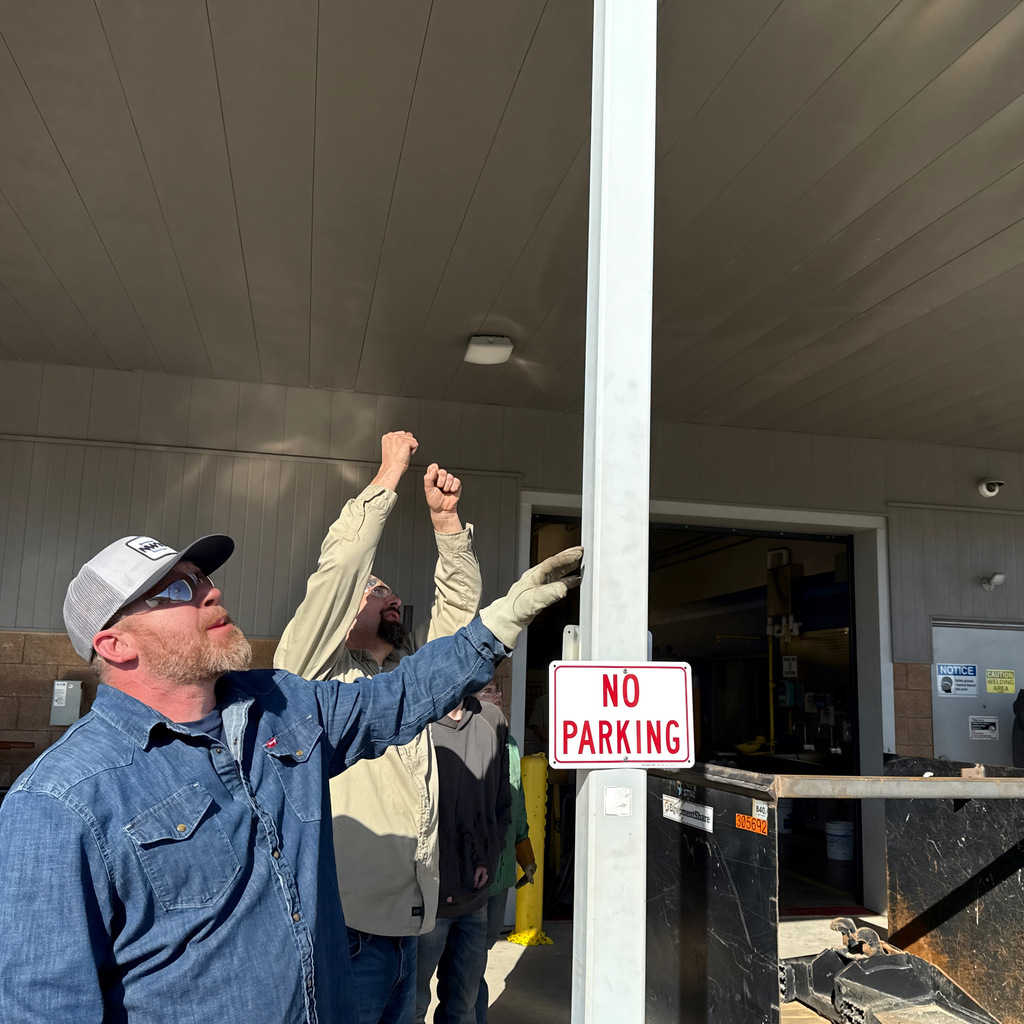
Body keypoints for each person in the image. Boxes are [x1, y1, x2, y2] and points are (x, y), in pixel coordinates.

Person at [0, 530, 582, 1023]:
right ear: (115, 644)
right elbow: (44, 1006)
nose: (212, 591)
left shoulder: (280, 706)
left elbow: (400, 696)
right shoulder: (59, 803)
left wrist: (507, 615)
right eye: (179, 590)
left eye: (202, 577)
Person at [274, 431, 479, 1024]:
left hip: (404, 931)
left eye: (394, 594)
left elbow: (457, 639)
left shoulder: (398, 684)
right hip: (344, 936)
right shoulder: (310, 675)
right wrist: (387, 480)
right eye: (379, 592)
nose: (394, 601)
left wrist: (447, 528)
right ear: (343, 616)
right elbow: (339, 574)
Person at [414, 687, 510, 1024]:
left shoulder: (492, 719)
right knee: (411, 1007)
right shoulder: (415, 723)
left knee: (463, 1008)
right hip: (427, 903)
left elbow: (503, 801)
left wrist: (490, 854)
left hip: (475, 901)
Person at [473, 681, 535, 1024]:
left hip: (499, 875)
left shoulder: (509, 745)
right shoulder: (453, 742)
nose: (497, 697)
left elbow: (518, 809)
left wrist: (526, 857)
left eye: (497, 691)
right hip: (466, 876)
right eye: (486, 692)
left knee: (478, 958)